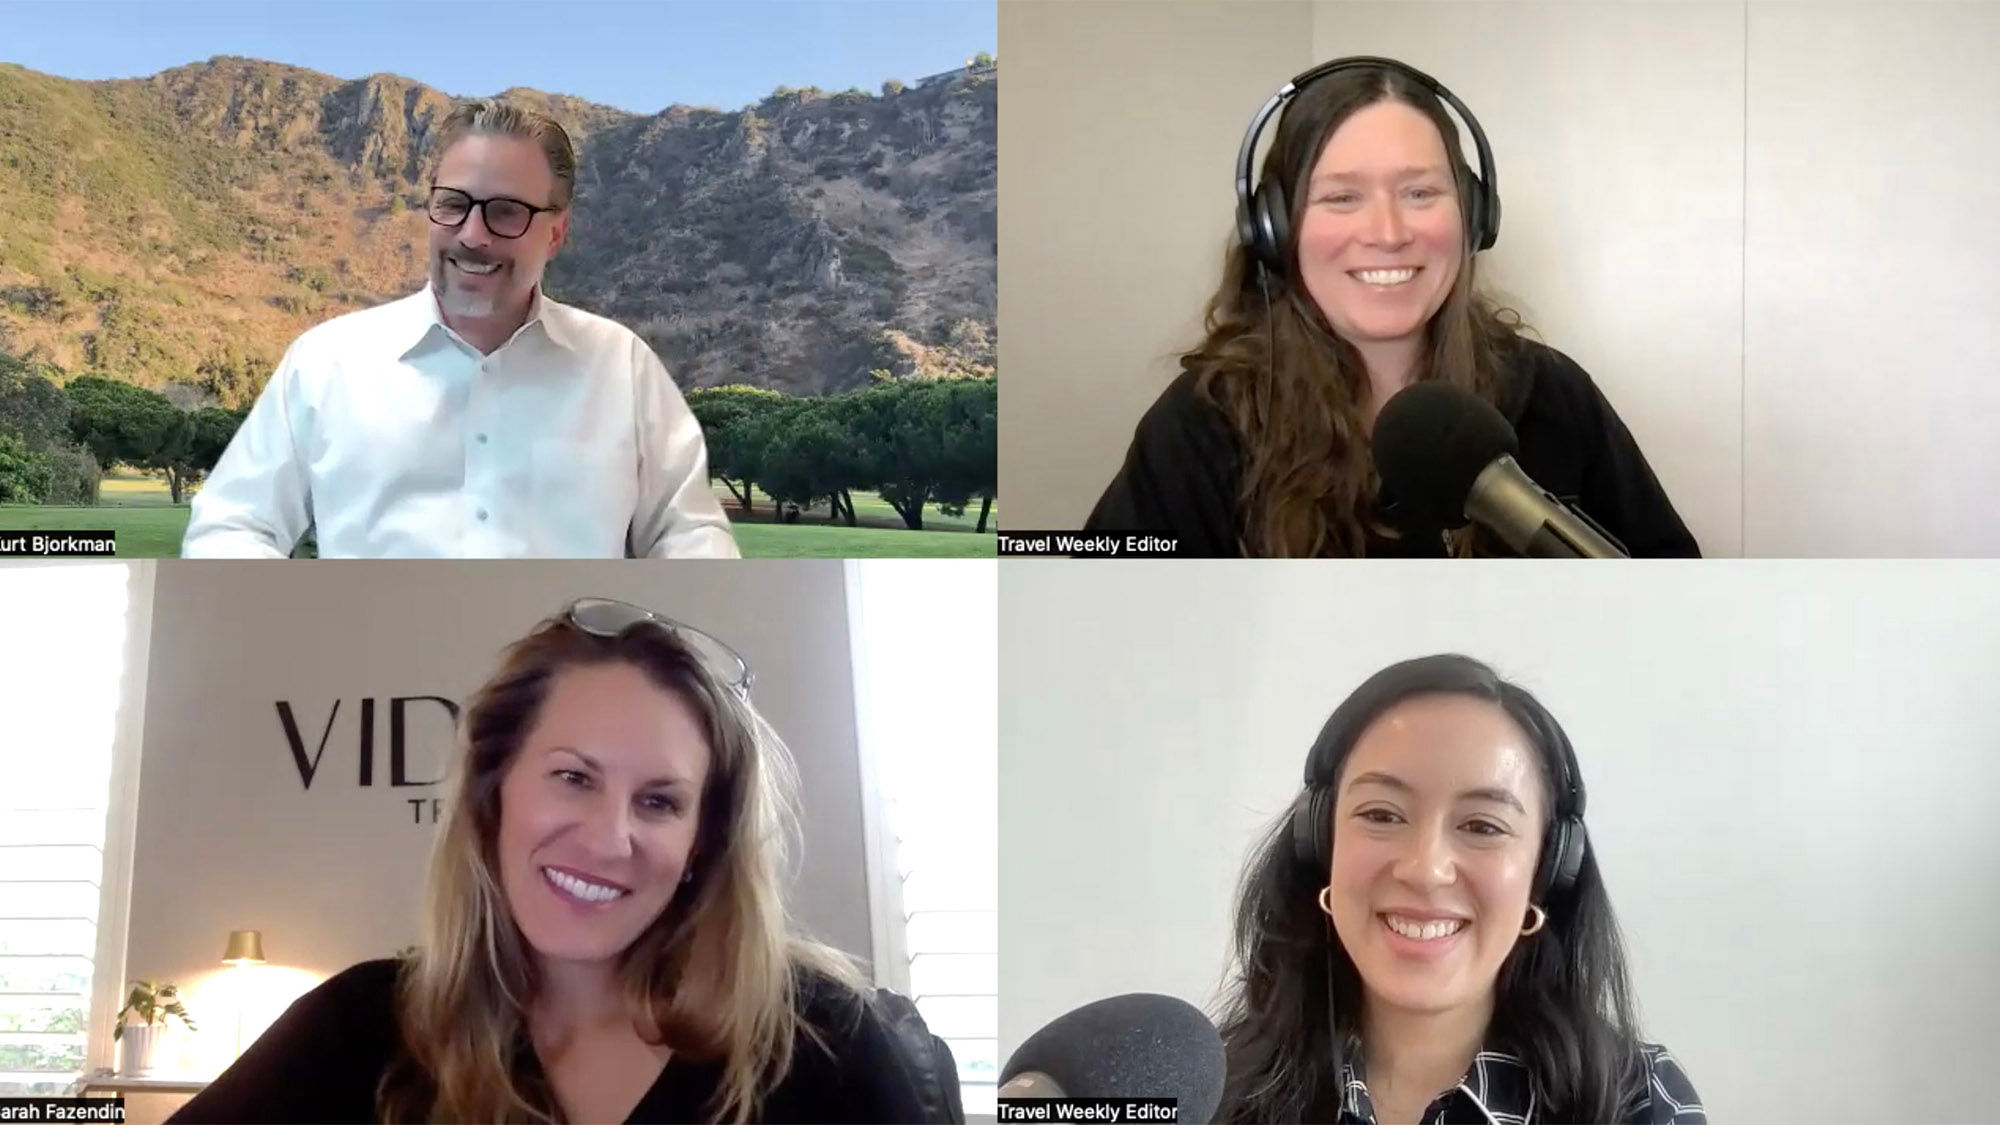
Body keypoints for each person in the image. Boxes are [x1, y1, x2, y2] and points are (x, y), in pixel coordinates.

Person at [170, 598, 955, 1123]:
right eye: (573, 778)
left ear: (700, 842)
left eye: (659, 801)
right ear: (494, 792)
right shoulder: (361, 1030)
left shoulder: (822, 1042)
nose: (609, 836)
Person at [1086, 59, 1698, 558]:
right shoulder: (1205, 422)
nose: (1387, 231)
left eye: (1419, 192)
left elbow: (1673, 602)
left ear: (1474, 216)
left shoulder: (1553, 397)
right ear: (1275, 227)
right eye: (1342, 196)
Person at [182, 101, 739, 559]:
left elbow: (690, 537)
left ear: (556, 232)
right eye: (453, 205)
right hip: (372, 689)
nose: (472, 235)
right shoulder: (328, 361)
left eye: (505, 212)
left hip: (564, 689)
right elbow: (232, 527)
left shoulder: (622, 365)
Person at [1213, 654, 1705, 1123]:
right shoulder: (1209, 1087)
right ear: (1320, 843)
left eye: (1483, 827)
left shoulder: (1641, 1102)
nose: (1425, 870)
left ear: (1548, 869)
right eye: (1382, 815)